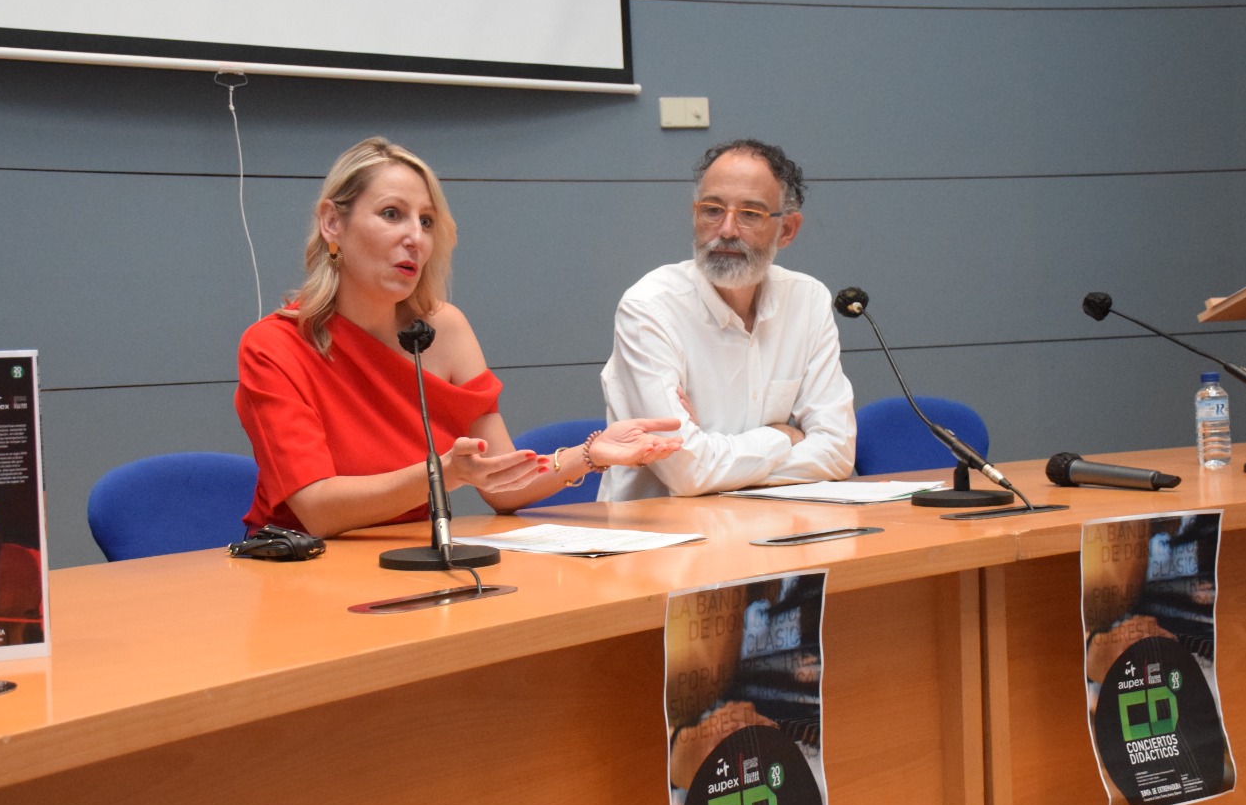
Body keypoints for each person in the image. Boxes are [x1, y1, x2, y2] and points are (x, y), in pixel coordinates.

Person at [236, 137, 680, 538]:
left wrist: (593, 453)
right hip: (301, 566)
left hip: (409, 559)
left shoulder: (442, 330)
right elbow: (318, 511)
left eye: (426, 221)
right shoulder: (274, 345)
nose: (415, 238)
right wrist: (444, 472)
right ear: (333, 222)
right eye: (392, 214)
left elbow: (503, 486)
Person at [599, 139, 856, 500]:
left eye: (750, 214)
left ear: (787, 230)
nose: (727, 230)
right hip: (661, 539)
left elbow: (837, 453)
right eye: (712, 210)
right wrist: (784, 436)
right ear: (694, 214)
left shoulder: (807, 300)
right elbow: (686, 472)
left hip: (772, 527)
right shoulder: (650, 308)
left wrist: (714, 460)